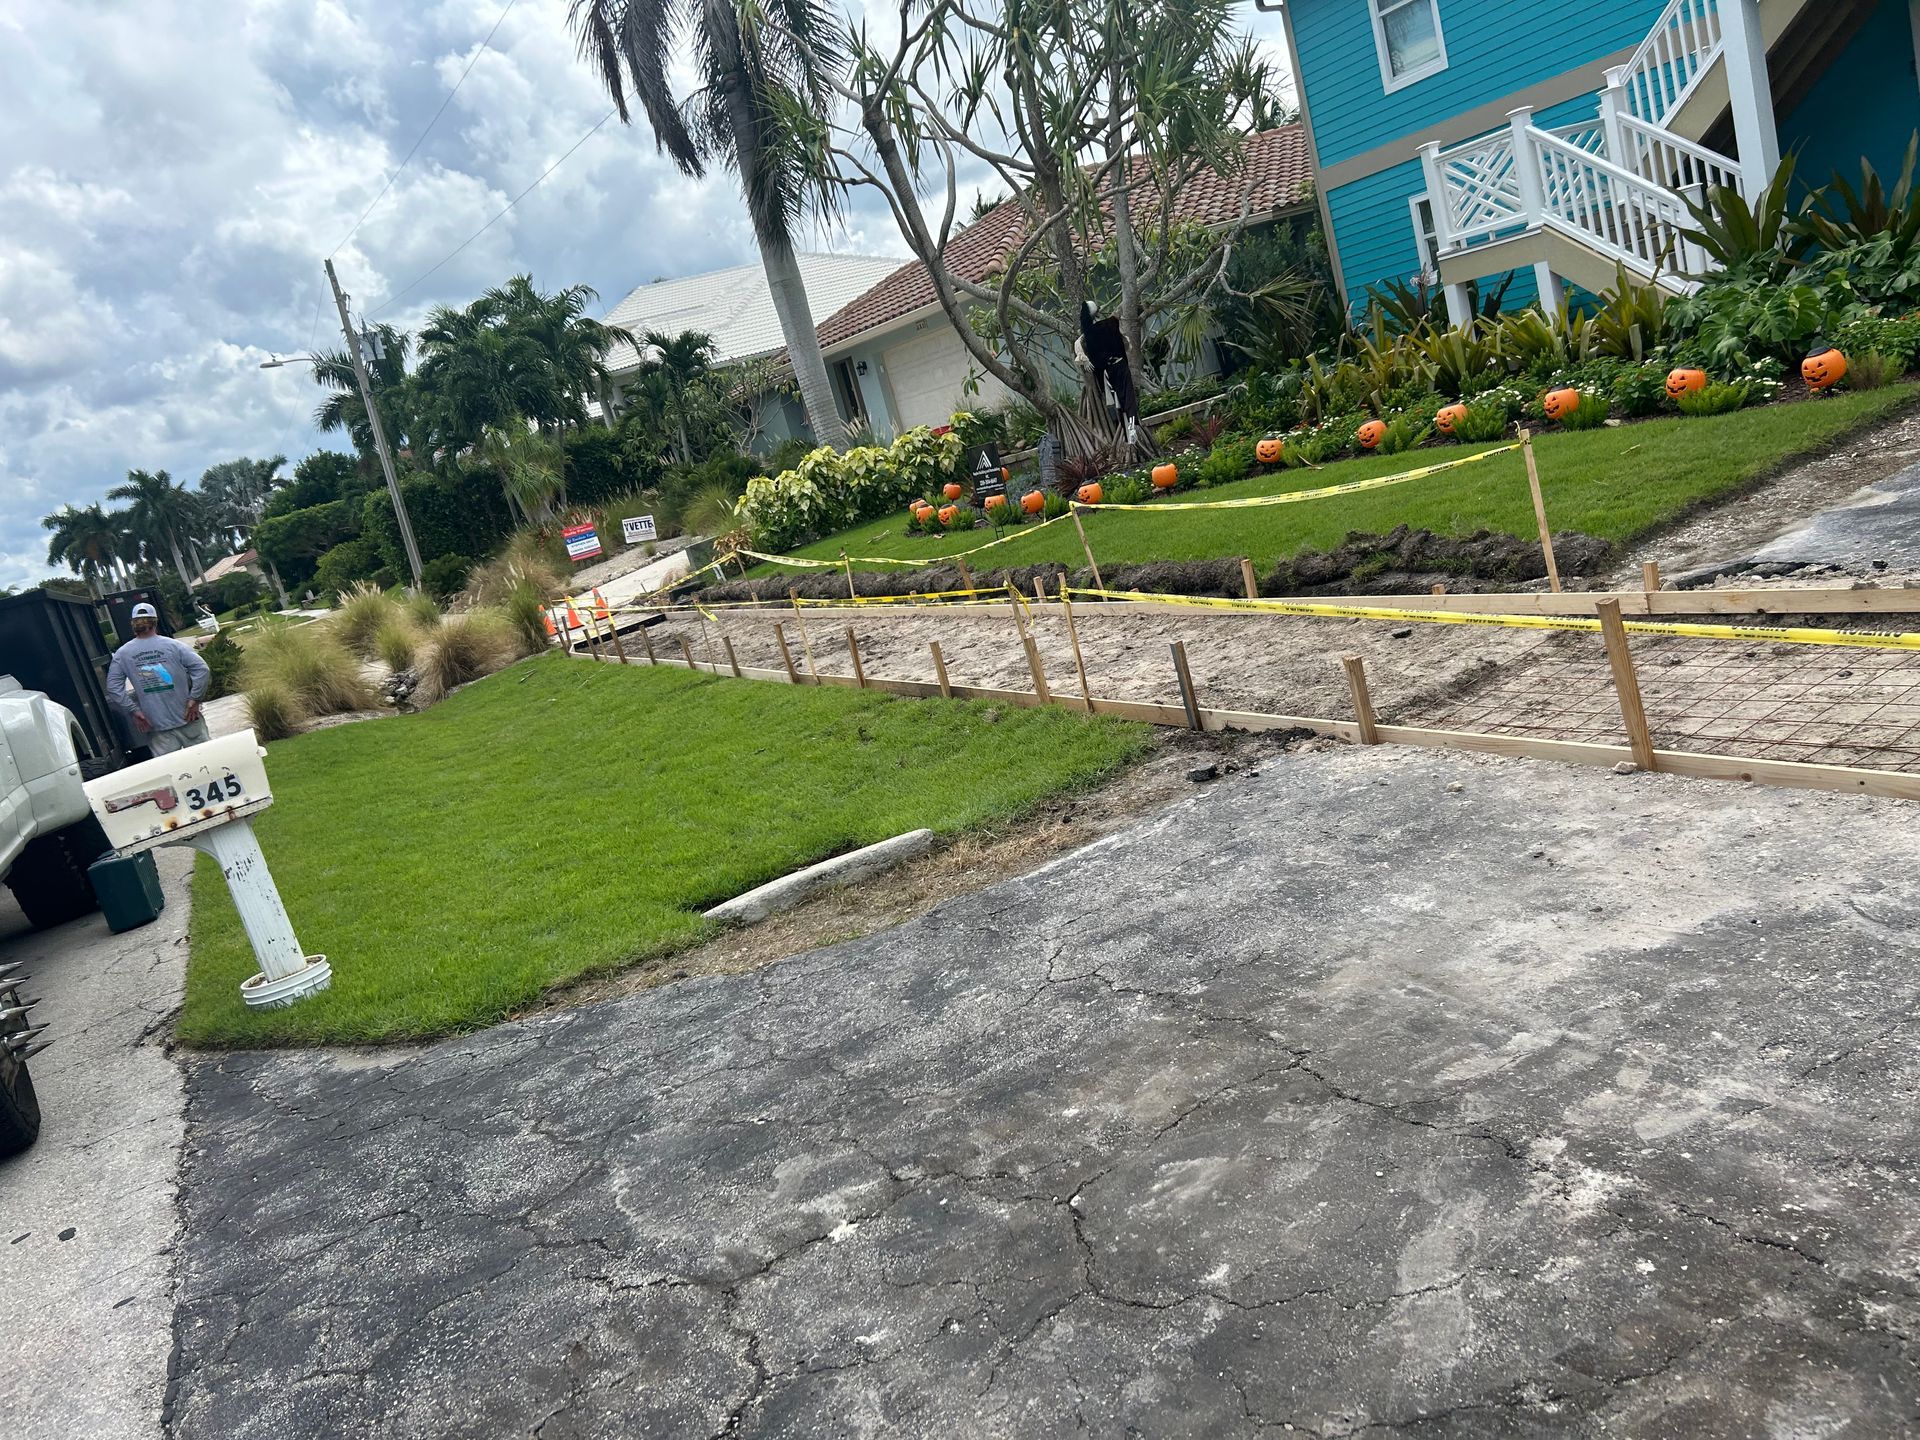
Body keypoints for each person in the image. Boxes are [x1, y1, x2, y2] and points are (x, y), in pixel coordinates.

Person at [105, 603, 212, 755]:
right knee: (206, 761)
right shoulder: (174, 646)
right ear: (155, 622)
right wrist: (194, 699)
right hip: (188, 717)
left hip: (156, 726)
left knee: (172, 773)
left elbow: (113, 688)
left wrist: (134, 711)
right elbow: (202, 669)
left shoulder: (123, 654)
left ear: (133, 624)